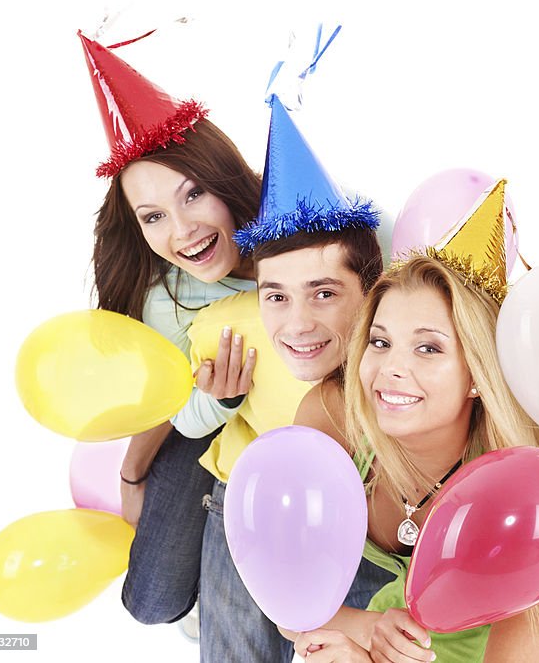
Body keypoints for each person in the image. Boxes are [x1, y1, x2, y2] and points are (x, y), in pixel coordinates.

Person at [284, 183, 539, 662]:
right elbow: (289, 600)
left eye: (428, 348)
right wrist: (368, 629)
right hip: (428, 602)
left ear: (476, 377)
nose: (391, 370)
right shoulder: (331, 416)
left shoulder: (523, 501)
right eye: (381, 342)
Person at [187, 92, 391, 662]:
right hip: (248, 496)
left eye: (324, 293)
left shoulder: (406, 375)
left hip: (371, 526)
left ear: (372, 293)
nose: (297, 324)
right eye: (276, 297)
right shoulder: (225, 331)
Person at [81, 31, 259, 629]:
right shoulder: (169, 297)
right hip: (209, 418)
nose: (182, 231)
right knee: (150, 599)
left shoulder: (299, 242)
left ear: (225, 178)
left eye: (194, 195)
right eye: (154, 216)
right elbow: (178, 414)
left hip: (310, 419)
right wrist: (217, 401)